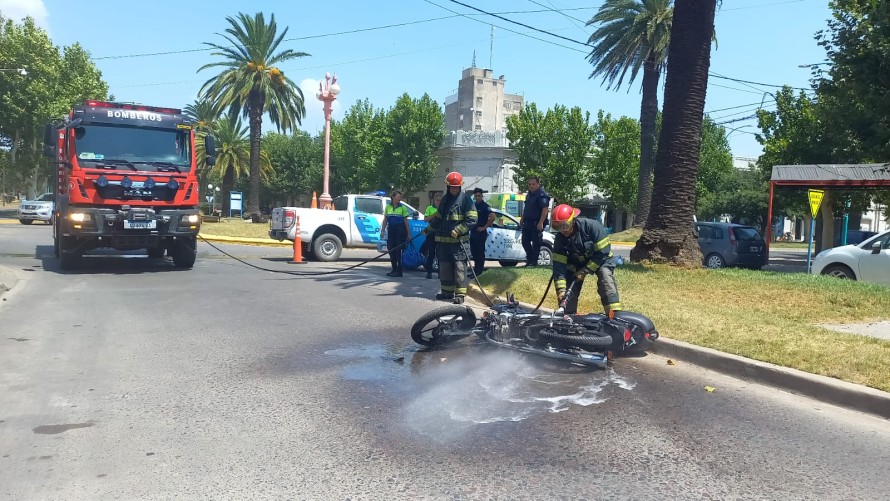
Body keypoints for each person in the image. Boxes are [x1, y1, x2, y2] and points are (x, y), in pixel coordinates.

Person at [550, 203, 622, 315]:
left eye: (565, 226)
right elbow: (559, 267)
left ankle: (614, 314)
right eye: (558, 227)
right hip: (576, 264)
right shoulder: (560, 239)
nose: (563, 231)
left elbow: (603, 252)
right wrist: (561, 291)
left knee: (605, 278)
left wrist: (585, 271)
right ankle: (568, 316)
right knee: (568, 289)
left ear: (573, 220)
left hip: (601, 260)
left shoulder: (592, 227)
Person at [429, 172, 477, 304]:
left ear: (460, 187)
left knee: (459, 268)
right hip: (443, 242)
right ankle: (447, 292)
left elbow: (472, 220)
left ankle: (460, 295)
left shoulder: (466, 200)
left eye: (456, 187)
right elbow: (439, 218)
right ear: (448, 187)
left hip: (458, 244)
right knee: (444, 267)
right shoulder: (445, 199)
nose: (454, 190)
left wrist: (459, 230)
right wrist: (429, 229)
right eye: (452, 187)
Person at [520, 176, 551, 266]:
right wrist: (522, 218)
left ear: (538, 184)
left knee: (536, 242)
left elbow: (545, 209)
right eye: (529, 184)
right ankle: (529, 259)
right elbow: (527, 207)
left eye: (533, 184)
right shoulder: (529, 194)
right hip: (527, 222)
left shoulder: (541, 194)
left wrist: (541, 222)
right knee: (525, 241)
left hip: (536, 222)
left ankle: (534, 261)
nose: (531, 186)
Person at [380, 190, 411, 277]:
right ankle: (394, 269)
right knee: (391, 250)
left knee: (398, 251)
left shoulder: (403, 208)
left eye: (400, 197)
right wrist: (382, 230)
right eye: (398, 196)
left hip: (400, 231)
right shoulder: (388, 207)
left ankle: (399, 271)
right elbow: (385, 220)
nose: (399, 198)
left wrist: (408, 234)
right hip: (391, 231)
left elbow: (406, 222)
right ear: (393, 197)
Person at [470, 188, 495, 277]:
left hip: (480, 233)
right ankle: (475, 271)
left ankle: (479, 272)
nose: (477, 197)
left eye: (479, 196)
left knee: (480, 253)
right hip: (473, 232)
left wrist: (484, 227)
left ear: (482, 196)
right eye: (475, 196)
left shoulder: (485, 206)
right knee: (474, 252)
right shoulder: (473, 205)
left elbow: (492, 216)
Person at [421, 192, 442, 279]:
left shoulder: (444, 208)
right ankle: (429, 272)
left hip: (440, 233)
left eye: (440, 200)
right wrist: (435, 214)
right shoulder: (430, 208)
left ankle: (440, 273)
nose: (439, 202)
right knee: (431, 253)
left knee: (440, 254)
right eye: (437, 200)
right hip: (431, 233)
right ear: (434, 200)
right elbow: (425, 219)